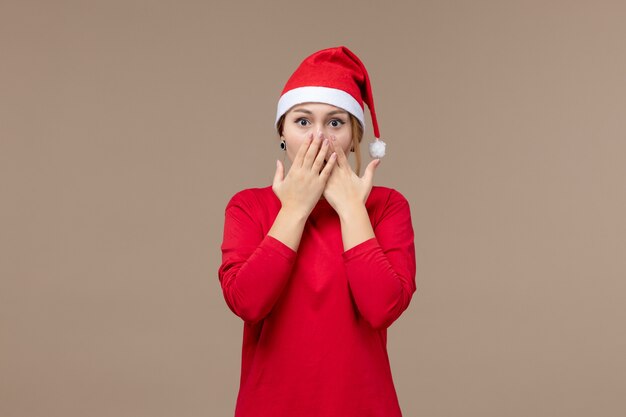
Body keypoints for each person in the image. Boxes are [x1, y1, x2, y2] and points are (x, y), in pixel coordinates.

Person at [218, 46, 417, 417]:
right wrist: (295, 207)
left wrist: (350, 208)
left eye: (336, 123)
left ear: (355, 135)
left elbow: (382, 308)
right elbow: (247, 302)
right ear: (282, 131)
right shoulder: (248, 206)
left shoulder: (387, 206)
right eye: (303, 121)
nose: (319, 137)